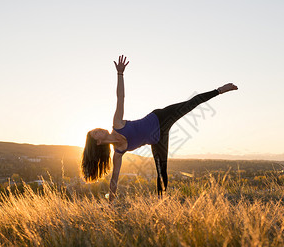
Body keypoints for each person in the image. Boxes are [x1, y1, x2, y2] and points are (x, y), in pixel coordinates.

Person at [81, 55, 238, 200]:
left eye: (96, 129)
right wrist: (111, 203)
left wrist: (120, 74)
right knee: (162, 172)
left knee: (191, 104)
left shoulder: (117, 124)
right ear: (98, 143)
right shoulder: (118, 153)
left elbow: (120, 98)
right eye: (96, 133)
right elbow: (114, 179)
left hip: (160, 117)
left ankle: (220, 90)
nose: (98, 130)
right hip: (158, 139)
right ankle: (161, 204)